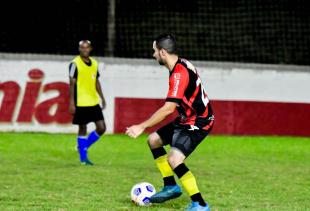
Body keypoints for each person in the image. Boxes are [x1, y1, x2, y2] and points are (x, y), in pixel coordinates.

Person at [126, 34, 214, 211]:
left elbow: (168, 109)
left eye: (155, 51)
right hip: (186, 118)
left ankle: (200, 204)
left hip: (199, 121)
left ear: (163, 52)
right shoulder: (180, 64)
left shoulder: (179, 74)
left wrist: (141, 126)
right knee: (153, 140)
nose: (153, 55)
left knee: (174, 159)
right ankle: (170, 186)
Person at [69, 40, 106, 165]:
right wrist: (71, 103)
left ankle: (82, 147)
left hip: (93, 101)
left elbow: (96, 81)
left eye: (87, 47)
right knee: (82, 128)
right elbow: (71, 84)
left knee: (101, 128)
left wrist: (102, 97)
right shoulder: (74, 64)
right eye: (82, 47)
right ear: (79, 49)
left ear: (90, 49)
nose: (85, 49)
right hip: (81, 102)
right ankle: (83, 158)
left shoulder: (95, 63)